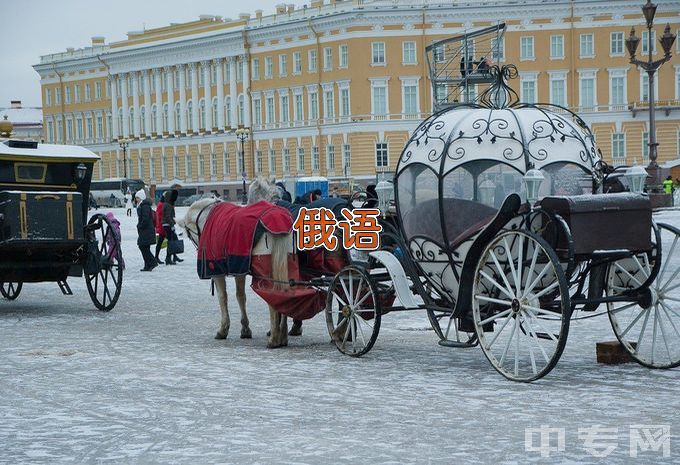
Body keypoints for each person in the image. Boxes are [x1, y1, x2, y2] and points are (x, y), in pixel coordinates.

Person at [135, 189, 157, 272]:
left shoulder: (144, 206)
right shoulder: (143, 206)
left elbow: (145, 219)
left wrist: (140, 226)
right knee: (145, 247)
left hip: (146, 230)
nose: (136, 199)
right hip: (146, 230)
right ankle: (147, 265)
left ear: (141, 198)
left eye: (137, 198)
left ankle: (152, 262)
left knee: (143, 246)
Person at [162, 189, 183, 265]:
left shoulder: (167, 204)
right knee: (171, 242)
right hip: (168, 225)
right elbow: (168, 217)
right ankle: (168, 259)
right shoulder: (167, 205)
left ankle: (173, 256)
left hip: (167, 224)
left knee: (173, 240)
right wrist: (172, 225)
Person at [154, 191, 168, 265]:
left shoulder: (165, 204)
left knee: (171, 241)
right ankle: (156, 257)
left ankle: (171, 256)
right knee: (160, 243)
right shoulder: (161, 205)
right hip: (163, 226)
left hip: (166, 225)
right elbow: (159, 216)